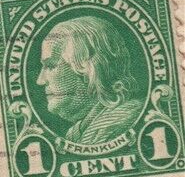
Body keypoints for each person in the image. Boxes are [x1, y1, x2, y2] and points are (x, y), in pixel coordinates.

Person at [36, 14, 143, 147]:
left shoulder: (121, 122)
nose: (40, 81)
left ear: (89, 68)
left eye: (50, 65)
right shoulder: (78, 133)